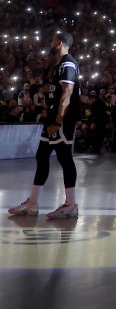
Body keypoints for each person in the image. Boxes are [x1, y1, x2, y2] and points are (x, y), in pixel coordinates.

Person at [8, 31, 81, 219]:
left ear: (61, 42)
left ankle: (71, 204)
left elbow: (67, 93)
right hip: (53, 119)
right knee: (42, 156)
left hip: (62, 120)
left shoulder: (68, 63)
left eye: (53, 39)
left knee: (65, 159)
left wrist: (58, 120)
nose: (50, 42)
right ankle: (32, 204)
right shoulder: (55, 65)